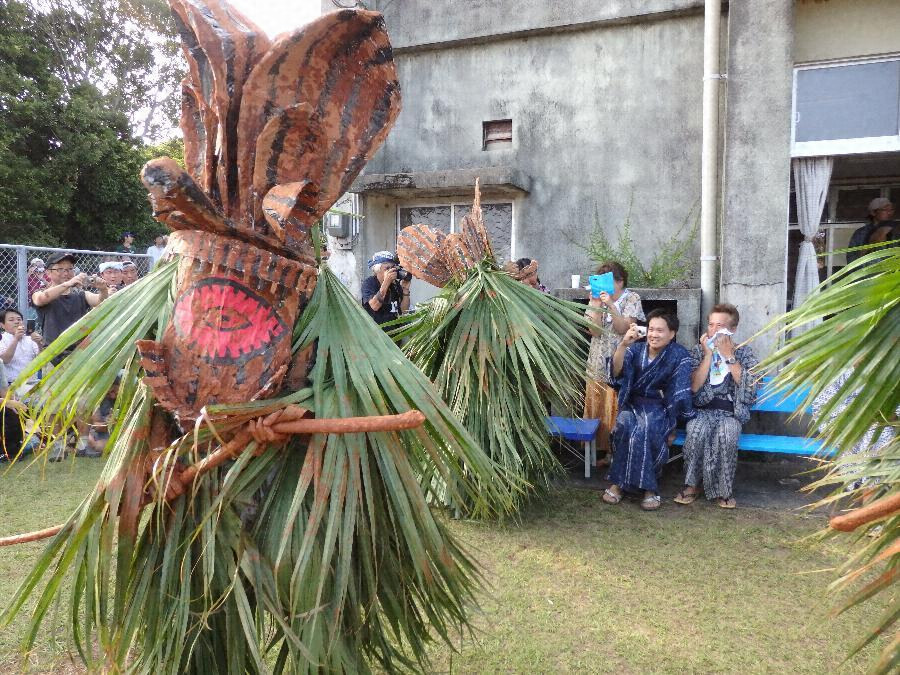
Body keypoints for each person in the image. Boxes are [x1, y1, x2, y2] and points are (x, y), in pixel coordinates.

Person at [602, 309, 694, 511]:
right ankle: (619, 484)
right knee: (625, 427)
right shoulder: (635, 350)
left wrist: (672, 425)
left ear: (672, 333)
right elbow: (615, 373)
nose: (654, 334)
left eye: (660, 330)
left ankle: (648, 489)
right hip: (633, 404)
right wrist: (624, 344)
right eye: (651, 329)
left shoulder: (680, 355)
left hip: (660, 407)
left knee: (647, 430)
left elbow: (680, 393)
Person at [674, 303, 758, 509]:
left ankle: (723, 490)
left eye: (719, 326)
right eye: (711, 325)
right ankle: (692, 484)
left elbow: (750, 390)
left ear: (732, 329)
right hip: (702, 410)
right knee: (695, 430)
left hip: (730, 413)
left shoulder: (744, 352)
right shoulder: (697, 351)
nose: (713, 330)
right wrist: (709, 355)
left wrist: (729, 356)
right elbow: (693, 387)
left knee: (727, 433)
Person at [584, 261, 644, 463]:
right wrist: (596, 306)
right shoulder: (595, 299)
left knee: (617, 403)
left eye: (610, 281)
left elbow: (622, 328)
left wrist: (610, 305)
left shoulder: (632, 298)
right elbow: (594, 331)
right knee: (599, 403)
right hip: (598, 359)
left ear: (620, 282)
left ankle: (616, 452)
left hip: (620, 359)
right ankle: (599, 451)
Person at [32, 252, 108, 364]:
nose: (66, 273)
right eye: (60, 269)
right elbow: (40, 299)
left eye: (70, 269)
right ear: (48, 272)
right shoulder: (39, 293)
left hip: (80, 355)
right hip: (53, 356)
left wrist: (103, 289)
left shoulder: (81, 295)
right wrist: (68, 284)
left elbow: (99, 301)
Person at [361, 250, 410, 327]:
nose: (391, 271)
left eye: (393, 268)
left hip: (395, 335)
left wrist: (405, 290)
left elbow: (404, 311)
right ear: (377, 270)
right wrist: (386, 282)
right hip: (377, 335)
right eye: (387, 268)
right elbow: (374, 306)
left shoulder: (395, 285)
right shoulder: (369, 283)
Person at [0, 308, 42, 396]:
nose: (16, 322)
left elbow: (41, 361)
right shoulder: (2, 339)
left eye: (19, 319)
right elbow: (5, 360)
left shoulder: (30, 339)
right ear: (2, 325)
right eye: (11, 320)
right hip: (10, 386)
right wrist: (16, 338)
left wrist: (39, 343)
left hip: (31, 384)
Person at [846, 198, 896, 264]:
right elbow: (851, 260)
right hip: (867, 273)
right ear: (873, 212)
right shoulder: (861, 233)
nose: (889, 213)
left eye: (891, 210)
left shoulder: (896, 231)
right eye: (885, 210)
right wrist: (872, 243)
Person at [25, 258, 46, 328]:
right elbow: (19, 286)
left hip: (45, 303)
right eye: (36, 266)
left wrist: (41, 278)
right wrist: (29, 272)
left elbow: (51, 286)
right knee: (31, 324)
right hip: (31, 305)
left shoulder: (46, 275)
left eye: (40, 265)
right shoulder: (29, 277)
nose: (38, 268)